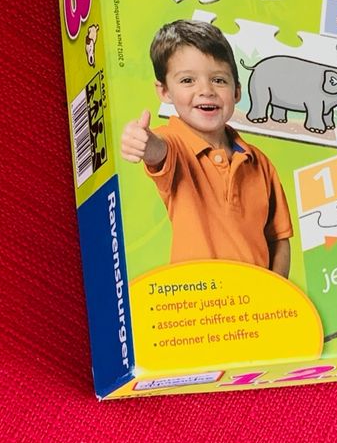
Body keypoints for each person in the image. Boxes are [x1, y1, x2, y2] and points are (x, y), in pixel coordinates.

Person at [121, 20, 292, 276]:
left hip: (257, 298)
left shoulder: (259, 162)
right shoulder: (174, 142)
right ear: (165, 91)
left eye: (219, 80)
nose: (206, 91)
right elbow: (159, 151)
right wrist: (143, 142)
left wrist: (277, 293)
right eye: (188, 80)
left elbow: (279, 238)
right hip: (199, 297)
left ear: (237, 91)